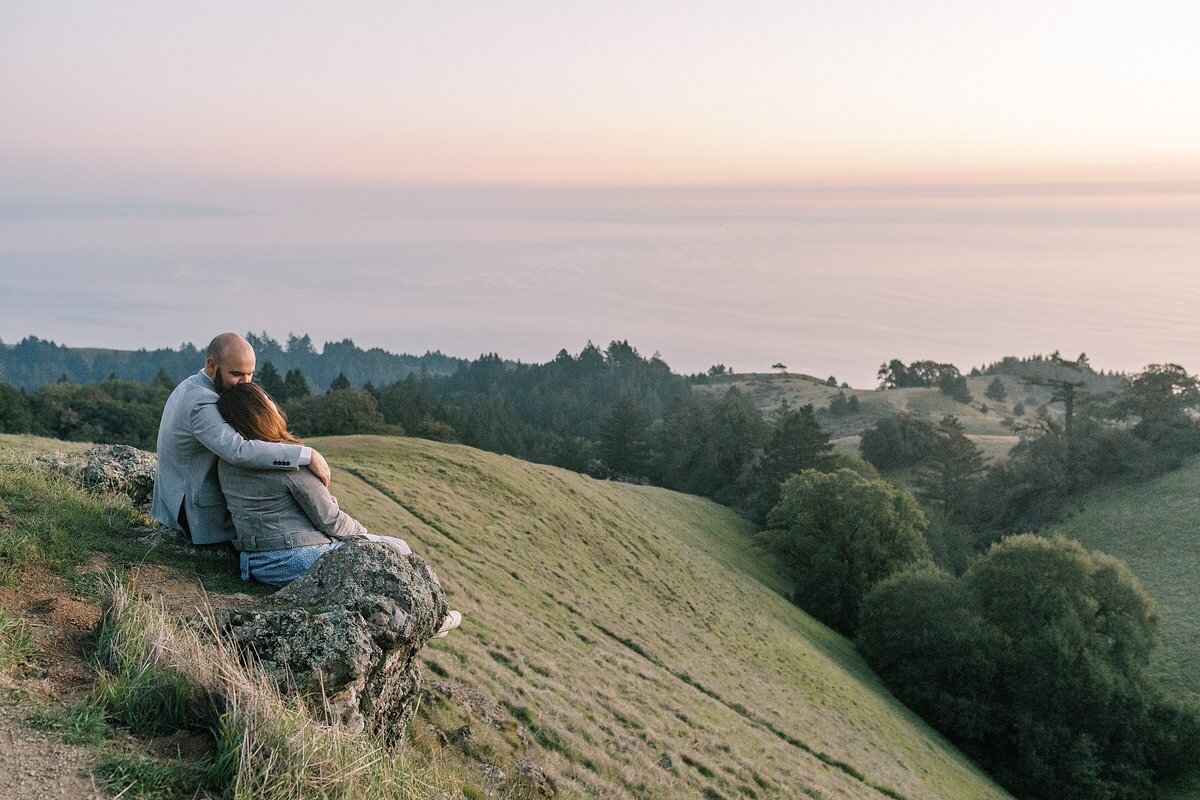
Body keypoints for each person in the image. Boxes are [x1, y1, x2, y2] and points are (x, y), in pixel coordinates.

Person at [215, 381, 461, 637]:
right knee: (396, 547)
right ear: (263, 415)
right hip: (292, 558)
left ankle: (428, 619)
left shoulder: (227, 463)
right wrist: (366, 536)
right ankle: (432, 620)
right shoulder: (290, 463)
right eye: (269, 403)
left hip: (254, 563)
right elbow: (331, 521)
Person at [151, 332, 332, 545]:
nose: (245, 383)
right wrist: (306, 454)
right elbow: (238, 451)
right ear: (211, 366)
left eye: (250, 374)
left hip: (180, 500)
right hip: (195, 515)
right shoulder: (201, 402)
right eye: (237, 374)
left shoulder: (191, 385)